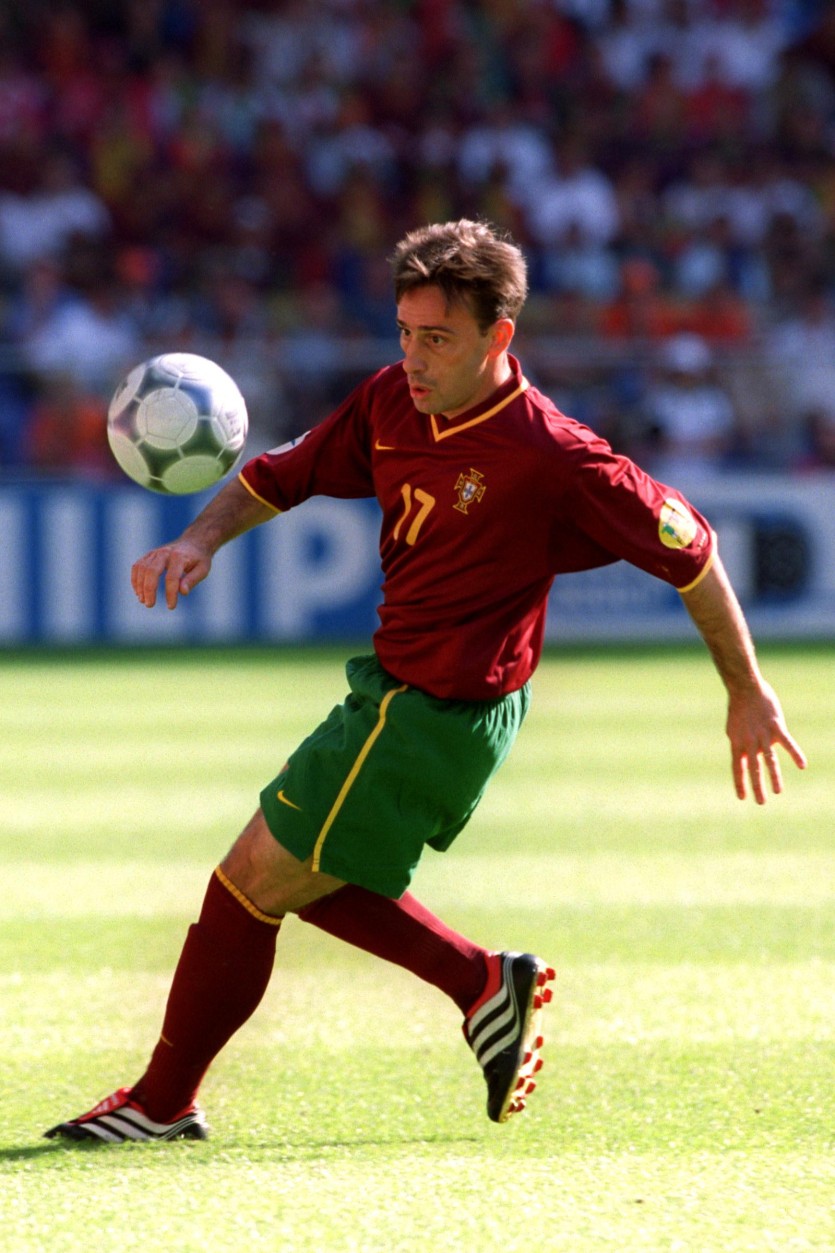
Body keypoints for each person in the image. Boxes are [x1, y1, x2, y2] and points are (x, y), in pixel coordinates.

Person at [46, 220, 806, 1144]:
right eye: (405, 332)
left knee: (248, 880)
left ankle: (164, 1101)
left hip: (438, 709)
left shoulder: (553, 454)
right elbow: (282, 474)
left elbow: (691, 550)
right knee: (292, 871)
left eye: (437, 338)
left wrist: (745, 690)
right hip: (394, 692)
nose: (413, 357)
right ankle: (477, 984)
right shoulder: (390, 401)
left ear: (498, 336)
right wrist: (197, 538)